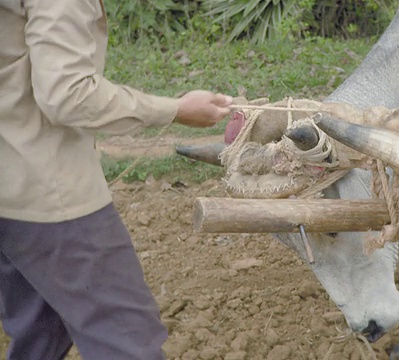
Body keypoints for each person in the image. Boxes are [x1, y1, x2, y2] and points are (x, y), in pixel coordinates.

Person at [0, 0, 234, 359]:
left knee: (40, 333)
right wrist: (174, 109)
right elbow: (68, 94)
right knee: (128, 341)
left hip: (10, 190)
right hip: (50, 198)